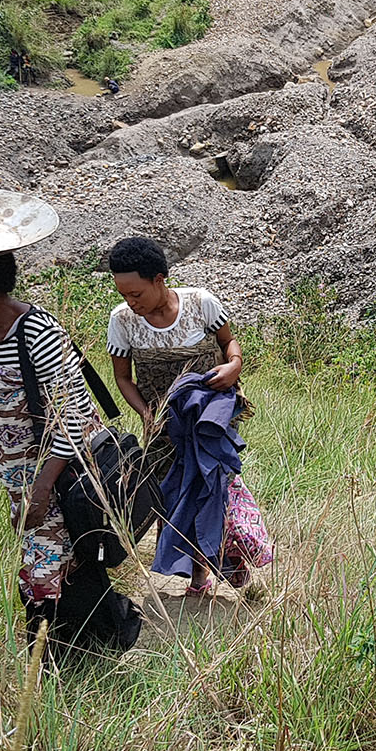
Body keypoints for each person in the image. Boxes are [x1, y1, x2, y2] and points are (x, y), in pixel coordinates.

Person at [0, 250, 140, 656]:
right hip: (19, 477)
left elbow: (74, 413)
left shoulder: (38, 333)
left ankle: (57, 656)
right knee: (60, 561)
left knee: (50, 565)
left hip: (58, 473)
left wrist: (44, 487)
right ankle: (95, 641)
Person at [105, 237, 272, 597]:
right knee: (176, 494)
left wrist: (234, 367)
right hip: (164, 427)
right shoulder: (122, 322)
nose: (130, 302)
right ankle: (197, 573)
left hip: (210, 420)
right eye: (124, 295)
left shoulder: (201, 304)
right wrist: (148, 412)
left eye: (136, 293)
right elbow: (123, 377)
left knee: (216, 487)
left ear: (159, 279)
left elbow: (230, 343)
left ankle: (236, 558)